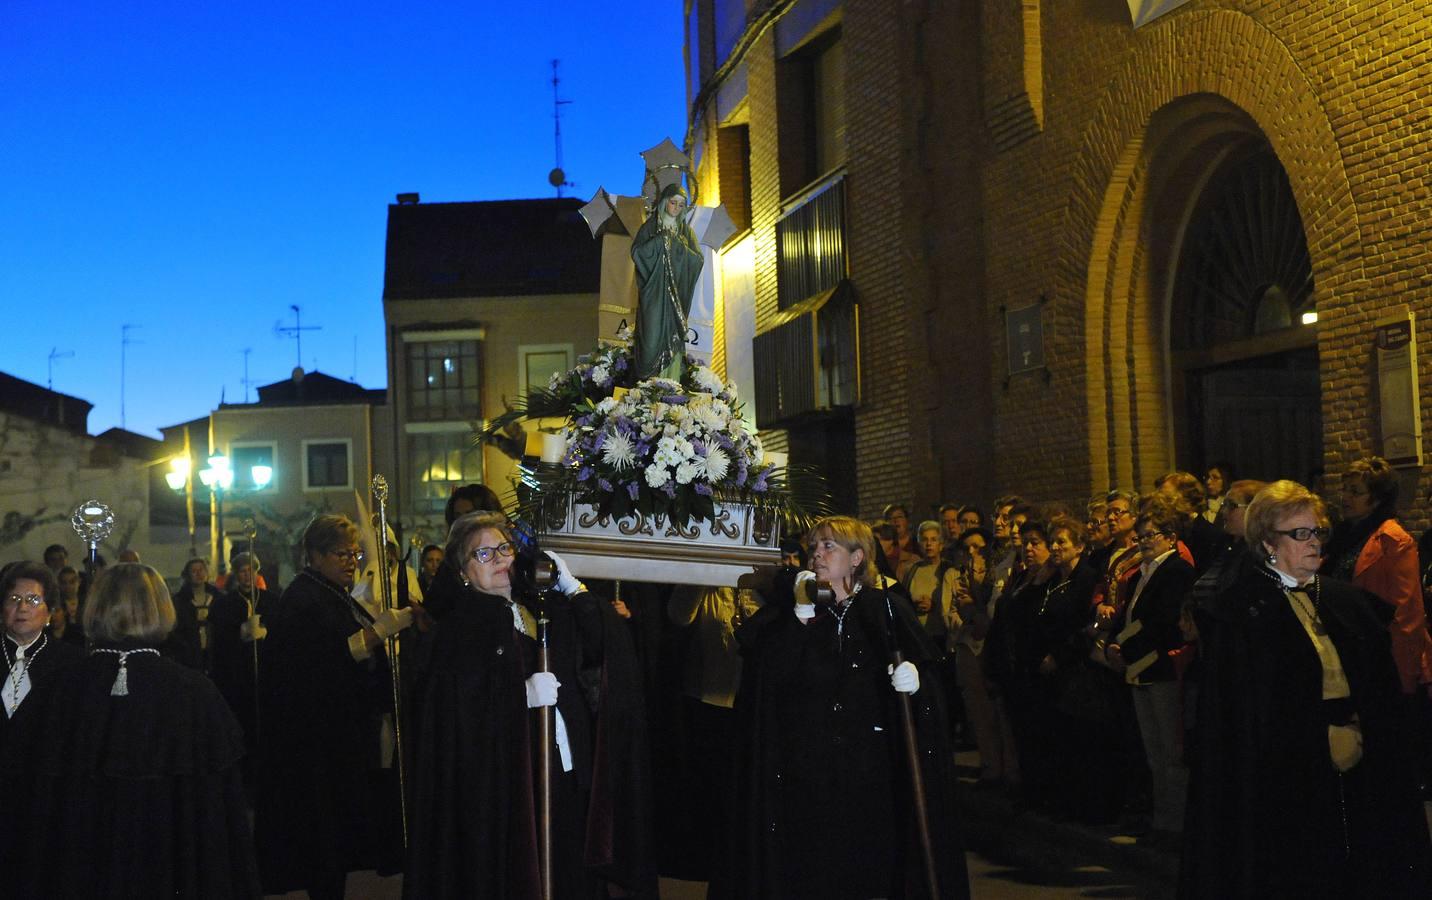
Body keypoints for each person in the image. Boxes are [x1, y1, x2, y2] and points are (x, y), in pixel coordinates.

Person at [1181, 481, 1432, 898]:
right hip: (1287, 784)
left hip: (1357, 770)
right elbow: (1244, 719)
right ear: (1266, 543)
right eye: (1300, 534)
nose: (1314, 542)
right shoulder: (1242, 612)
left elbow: (1379, 691)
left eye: (1317, 532)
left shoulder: (1344, 601)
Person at [404, 512, 656, 898]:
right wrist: (518, 695)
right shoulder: (459, 629)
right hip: (506, 786)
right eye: (484, 555)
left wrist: (574, 589)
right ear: (463, 572)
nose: (501, 559)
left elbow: (602, 646)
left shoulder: (537, 608)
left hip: (560, 767)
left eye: (504, 548)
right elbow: (454, 712)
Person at [717, 515, 969, 899]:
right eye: (814, 546)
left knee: (868, 864)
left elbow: (926, 679)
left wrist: (916, 681)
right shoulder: (793, 613)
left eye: (829, 546)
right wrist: (799, 621)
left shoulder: (882, 607)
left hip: (868, 766)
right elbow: (767, 682)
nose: (817, 553)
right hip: (806, 767)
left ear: (857, 559)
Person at [0, 563, 260, 898]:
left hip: (80, 870)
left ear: (96, 607)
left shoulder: (59, 688)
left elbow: (36, 810)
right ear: (160, 609)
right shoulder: (193, 692)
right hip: (167, 869)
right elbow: (217, 821)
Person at [254, 514, 417, 899]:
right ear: (315, 555)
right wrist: (378, 633)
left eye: (356, 554)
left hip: (340, 732)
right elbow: (323, 659)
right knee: (322, 835)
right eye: (342, 554)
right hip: (314, 739)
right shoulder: (303, 598)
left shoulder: (333, 593)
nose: (352, 562)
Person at [1103, 498, 1197, 846]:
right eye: (1140, 535)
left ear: (1170, 537)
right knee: (1153, 750)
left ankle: (1176, 825)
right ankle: (1162, 819)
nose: (1143, 541)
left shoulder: (1175, 571)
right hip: (1139, 666)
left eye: (1150, 535)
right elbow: (1131, 613)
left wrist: (1122, 646)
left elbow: (1160, 621)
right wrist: (1115, 643)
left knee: (1170, 752)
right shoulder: (1143, 572)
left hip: (1160, 666)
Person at [1320, 456, 1432, 697]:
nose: (1345, 497)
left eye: (1355, 492)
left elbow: (1406, 616)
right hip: (1344, 647)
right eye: (1345, 489)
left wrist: (1404, 678)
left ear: (1377, 499)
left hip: (1377, 654)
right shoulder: (1340, 535)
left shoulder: (1394, 540)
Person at [1, 562, 81, 746]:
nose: (22, 607)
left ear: (49, 613)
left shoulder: (70, 661)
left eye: (33, 600)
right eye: (14, 598)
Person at [208, 551, 278, 758]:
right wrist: (240, 632)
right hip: (237, 673)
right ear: (236, 574)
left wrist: (266, 632)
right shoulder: (223, 604)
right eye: (242, 572)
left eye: (250, 571)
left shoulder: (272, 600)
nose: (246, 576)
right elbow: (219, 638)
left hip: (265, 669)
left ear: (257, 572)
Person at [631, 181, 703, 380]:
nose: (677, 208)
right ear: (664, 203)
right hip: (654, 295)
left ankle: (671, 383)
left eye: (681, 205)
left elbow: (697, 260)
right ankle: (647, 386)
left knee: (674, 339)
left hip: (676, 298)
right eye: (673, 203)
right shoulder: (650, 227)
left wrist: (678, 246)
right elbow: (637, 253)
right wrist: (660, 241)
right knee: (651, 339)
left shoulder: (686, 232)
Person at [169, 557, 221, 671]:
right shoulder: (180, 600)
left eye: (201, 570)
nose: (198, 574)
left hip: (215, 650)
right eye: (194, 571)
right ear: (188, 575)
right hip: (191, 653)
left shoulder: (218, 597)